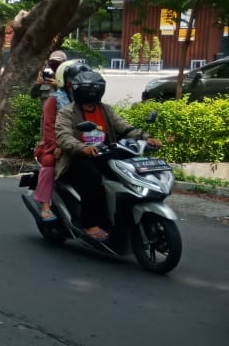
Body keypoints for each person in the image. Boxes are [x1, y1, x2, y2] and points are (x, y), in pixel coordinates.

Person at [55, 70, 161, 242]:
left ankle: (122, 221)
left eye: (94, 90)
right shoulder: (67, 112)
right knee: (94, 179)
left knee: (126, 178)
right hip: (76, 158)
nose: (91, 94)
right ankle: (90, 223)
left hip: (105, 154)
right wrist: (82, 148)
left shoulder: (106, 110)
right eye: (88, 90)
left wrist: (146, 138)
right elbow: (63, 136)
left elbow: (126, 128)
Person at [33, 59, 90, 220]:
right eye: (75, 82)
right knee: (50, 160)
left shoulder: (88, 100)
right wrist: (56, 146)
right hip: (55, 144)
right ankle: (45, 204)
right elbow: (49, 128)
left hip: (83, 144)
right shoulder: (55, 100)